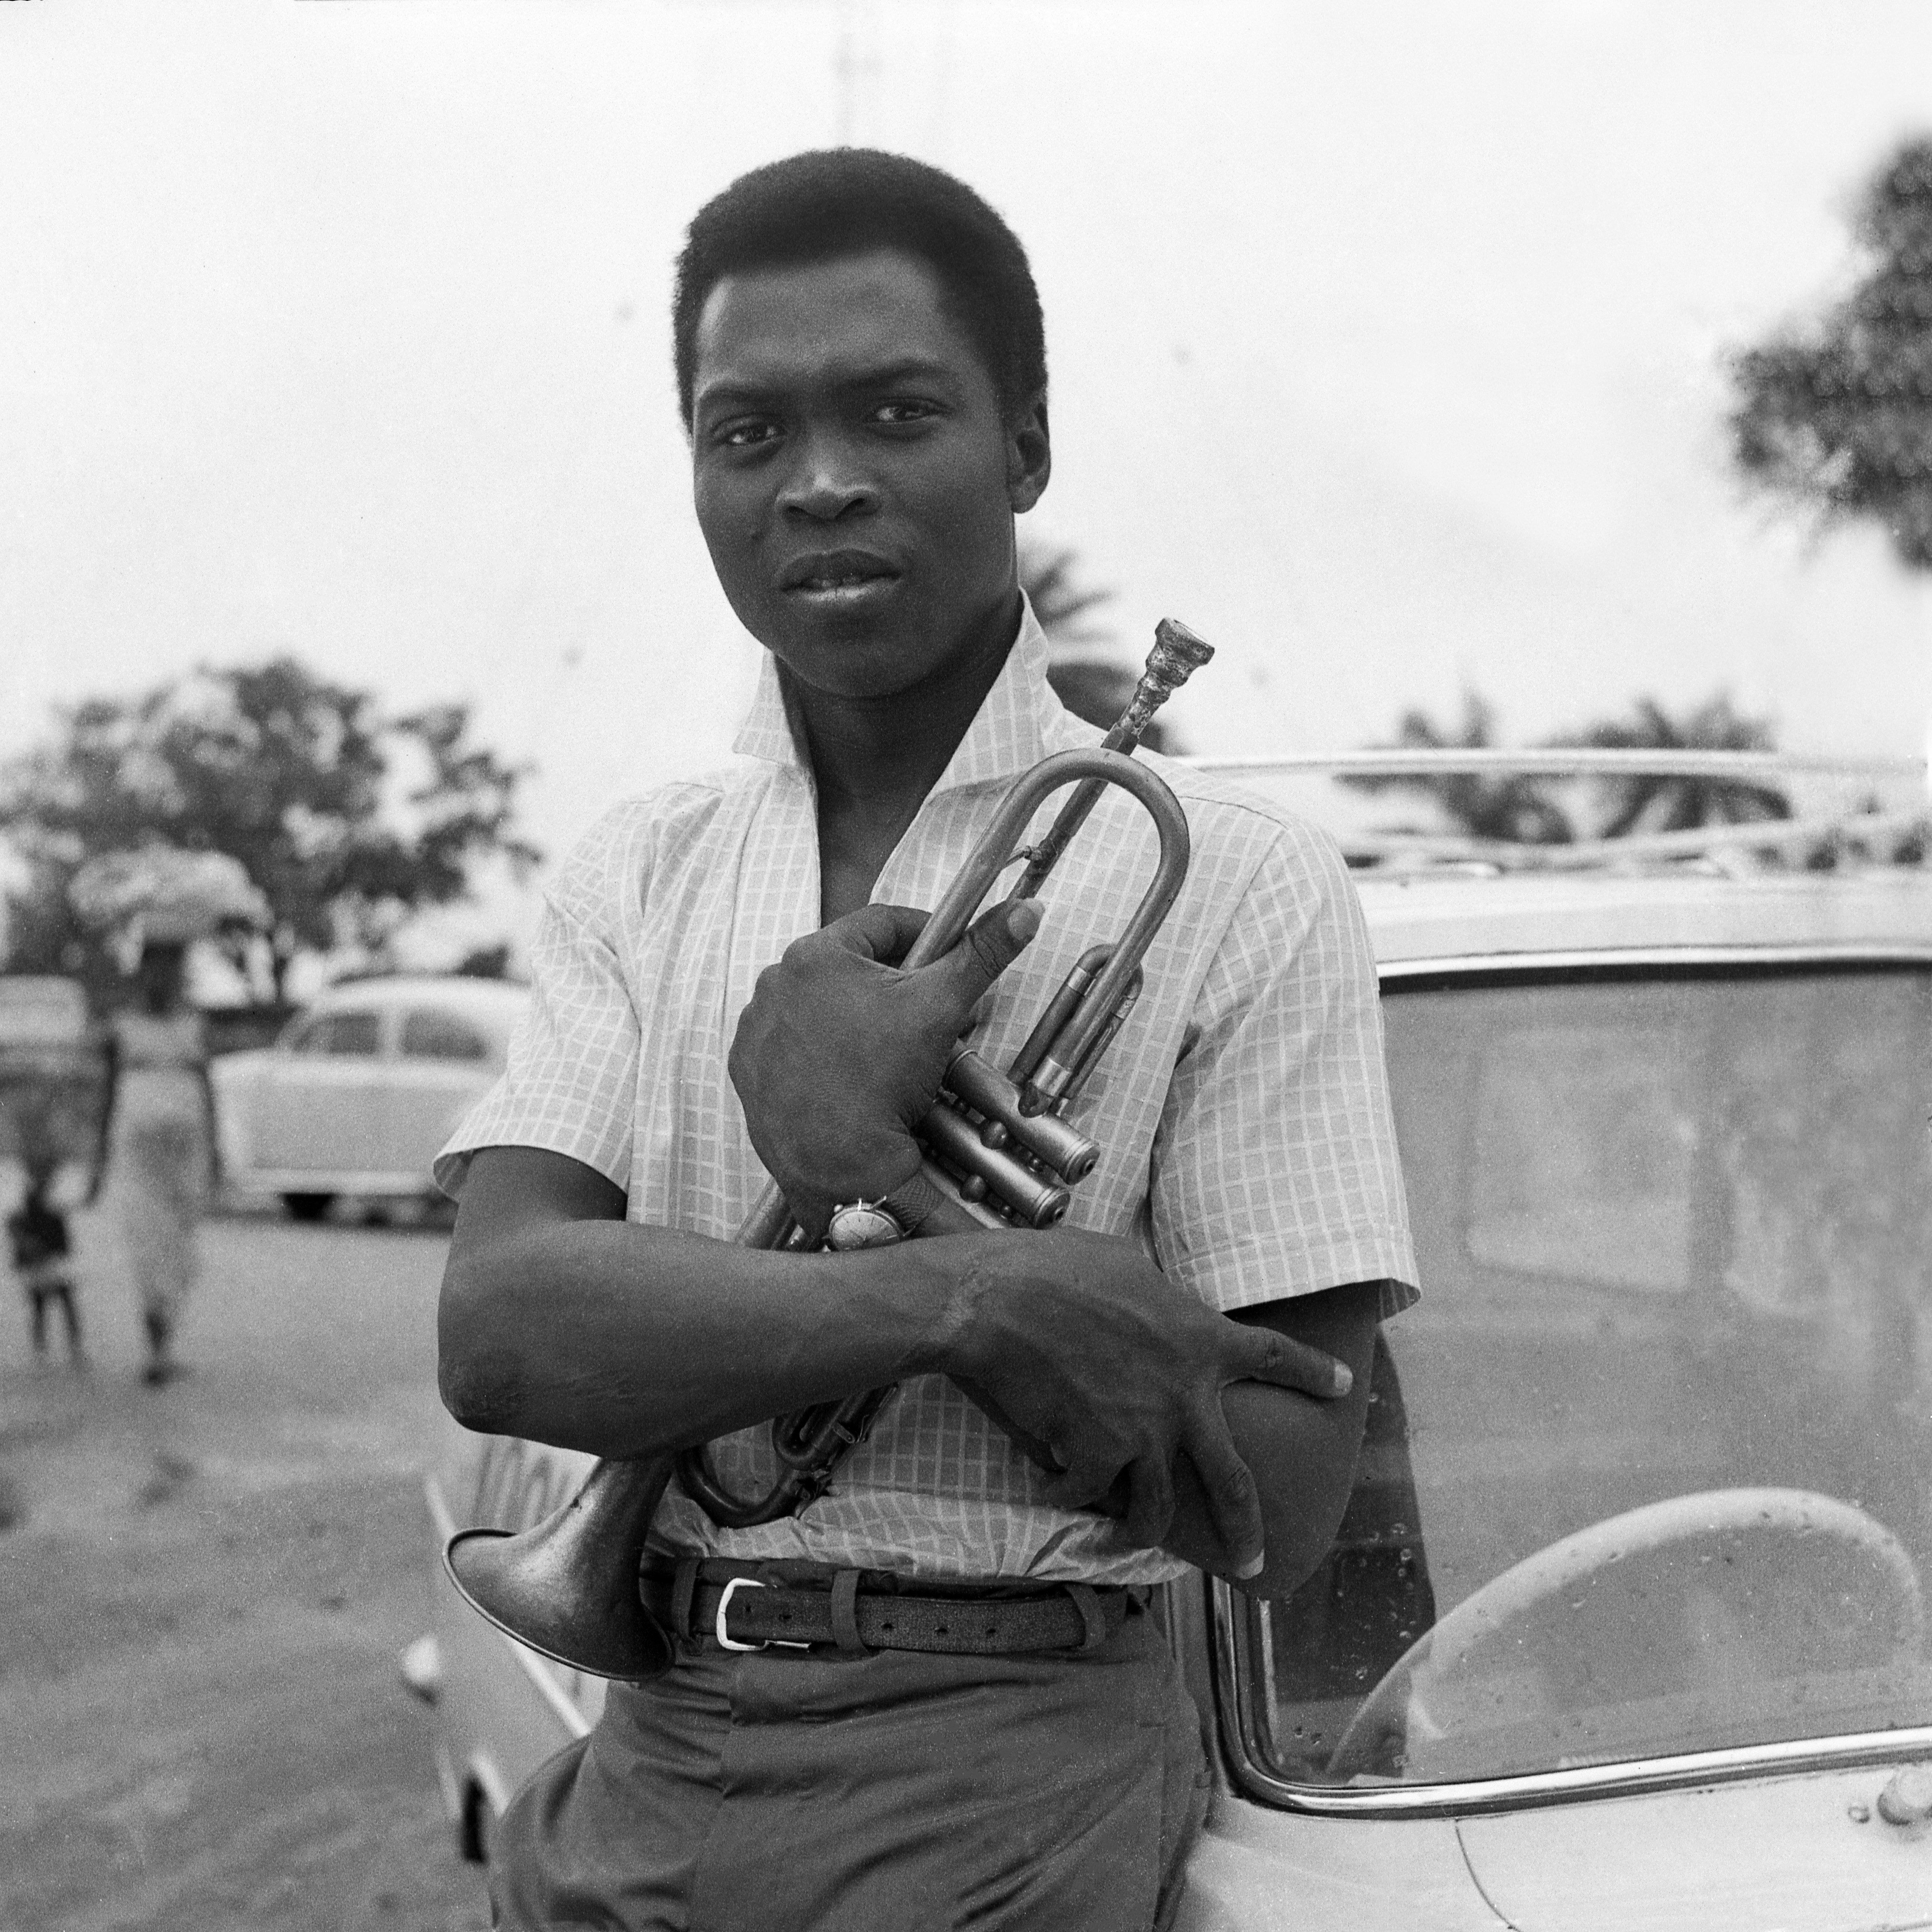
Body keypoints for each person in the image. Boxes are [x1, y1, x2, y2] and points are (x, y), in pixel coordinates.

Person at [435, 149, 1419, 1932]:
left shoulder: (1239, 885)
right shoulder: (636, 870)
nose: (818, 480)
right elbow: (504, 1332)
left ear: (1023, 446)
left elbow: (1277, 1502)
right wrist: (962, 1287)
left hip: (1009, 1766)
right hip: (659, 1730)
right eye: (748, 433)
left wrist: (888, 1182)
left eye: (896, 412)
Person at [88, 938, 219, 1386]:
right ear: (142, 973)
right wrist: (97, 1162)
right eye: (155, 969)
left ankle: (166, 1341)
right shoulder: (121, 1027)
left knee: (180, 1250)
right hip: (138, 1154)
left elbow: (208, 1090)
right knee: (147, 1243)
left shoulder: (194, 1025)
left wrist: (216, 1153)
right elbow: (108, 1095)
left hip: (186, 1151)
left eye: (171, 969)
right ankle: (156, 1350)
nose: (163, 979)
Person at [8, 1149, 85, 1366]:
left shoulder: (38, 1209)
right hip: (46, 1264)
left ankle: (48, 1349)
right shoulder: (41, 1210)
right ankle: (65, 1347)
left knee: (45, 1306)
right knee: (55, 1304)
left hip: (45, 1264)